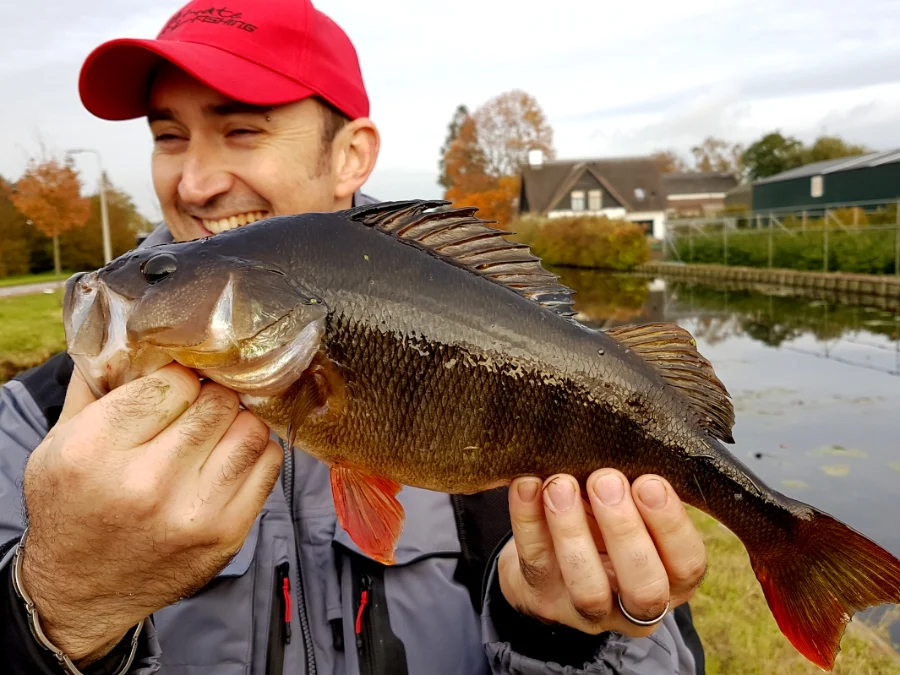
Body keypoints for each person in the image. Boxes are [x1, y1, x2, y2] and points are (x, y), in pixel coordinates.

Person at [0, 1, 709, 673]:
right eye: (167, 136)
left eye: (242, 129)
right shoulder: (33, 427)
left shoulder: (500, 367)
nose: (193, 181)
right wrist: (55, 603)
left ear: (351, 154)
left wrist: (560, 635)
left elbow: (666, 654)